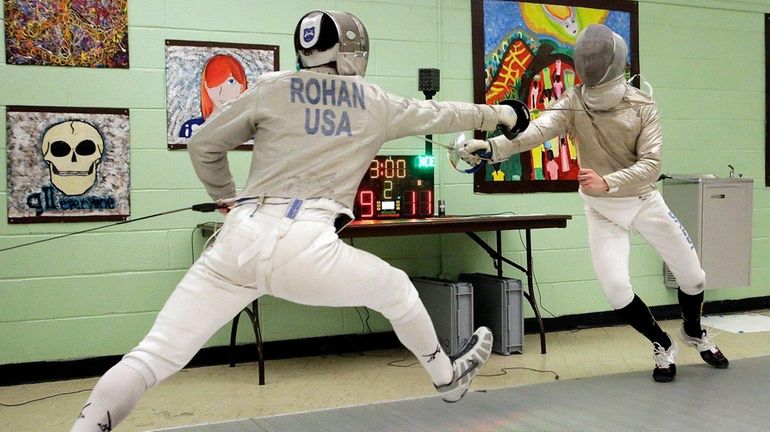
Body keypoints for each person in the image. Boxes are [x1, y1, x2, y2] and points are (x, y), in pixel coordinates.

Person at [70, 10, 515, 431]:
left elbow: (203, 144)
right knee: (397, 289)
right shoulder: (376, 101)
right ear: (354, 50)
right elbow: (445, 113)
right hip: (308, 245)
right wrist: (502, 115)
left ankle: (86, 424)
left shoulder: (270, 87)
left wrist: (226, 199)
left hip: (238, 240)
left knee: (151, 358)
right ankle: (446, 376)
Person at [459, 24, 728, 383]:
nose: (590, 62)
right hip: (602, 209)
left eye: (596, 57)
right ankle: (662, 343)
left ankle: (694, 332)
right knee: (616, 290)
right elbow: (536, 131)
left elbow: (652, 164)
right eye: (585, 56)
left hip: (644, 200)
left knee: (694, 277)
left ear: (614, 61)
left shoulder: (642, 105)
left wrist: (608, 181)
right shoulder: (573, 101)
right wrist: (493, 148)